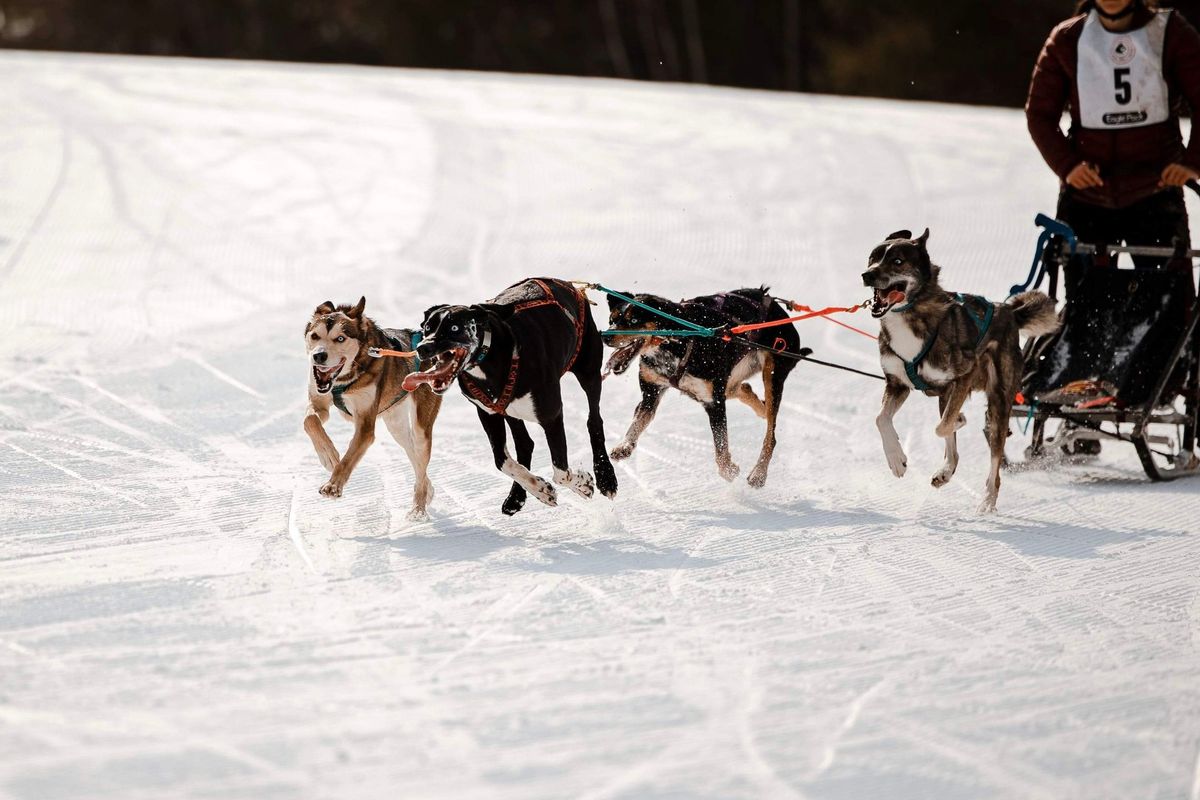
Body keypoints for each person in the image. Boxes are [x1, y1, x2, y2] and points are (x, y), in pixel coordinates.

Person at [1026, 0, 1200, 272]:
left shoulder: (1171, 32)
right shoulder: (1067, 38)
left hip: (1156, 193)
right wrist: (1067, 166)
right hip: (1087, 197)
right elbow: (1039, 114)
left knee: (1170, 304)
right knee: (1087, 309)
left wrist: (1192, 163)